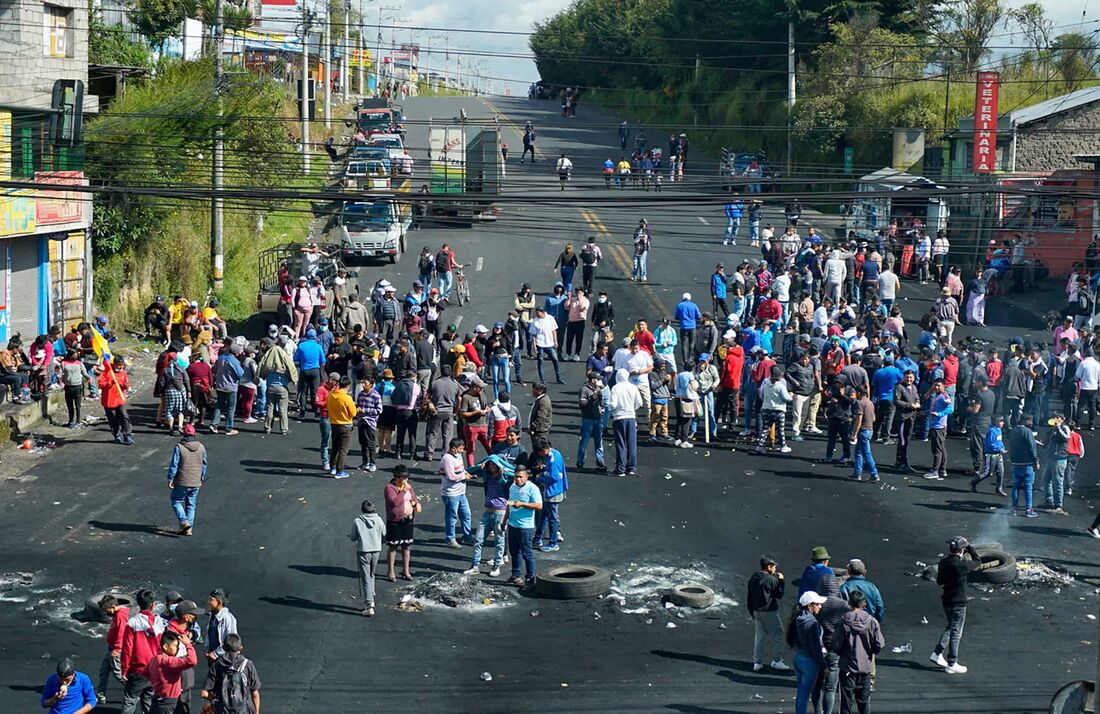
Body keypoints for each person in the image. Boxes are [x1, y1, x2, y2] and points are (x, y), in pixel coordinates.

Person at [931, 536, 981, 674]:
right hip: (958, 601)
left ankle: (937, 653)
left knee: (950, 626)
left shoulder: (943, 562)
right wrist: (970, 547)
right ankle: (952, 662)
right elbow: (978, 561)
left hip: (946, 599)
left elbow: (940, 581)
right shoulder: (962, 565)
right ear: (962, 550)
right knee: (956, 632)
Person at [833, 590, 885, 714]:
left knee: (846, 704)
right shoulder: (872, 621)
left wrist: (842, 653)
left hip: (848, 668)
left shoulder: (843, 621)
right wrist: (870, 652)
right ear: (864, 604)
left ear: (849, 603)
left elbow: (836, 645)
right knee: (864, 702)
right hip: (865, 668)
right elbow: (879, 644)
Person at [464, 455, 513, 577]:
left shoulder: (506, 476)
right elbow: (470, 470)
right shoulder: (487, 474)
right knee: (479, 539)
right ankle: (475, 565)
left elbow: (514, 474)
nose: (491, 467)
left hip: (500, 512)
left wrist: (503, 472)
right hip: (487, 512)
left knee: (499, 540)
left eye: (493, 465)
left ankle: (497, 565)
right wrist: (480, 466)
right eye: (490, 465)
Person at [120, 589, 165, 714]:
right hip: (155, 670)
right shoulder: (159, 622)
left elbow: (127, 649)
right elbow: (163, 647)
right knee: (149, 700)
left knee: (130, 700)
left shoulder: (133, 622)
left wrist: (124, 669)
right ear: (152, 605)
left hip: (137, 670)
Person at [746, 555, 789, 672]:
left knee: (759, 636)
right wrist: (781, 580)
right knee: (779, 634)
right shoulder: (771, 579)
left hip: (756, 611)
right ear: (769, 567)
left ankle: (757, 662)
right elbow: (779, 594)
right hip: (769, 611)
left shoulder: (754, 577)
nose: (775, 569)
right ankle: (777, 661)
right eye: (774, 567)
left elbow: (749, 596)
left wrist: (752, 612)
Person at [200, 634, 261, 714]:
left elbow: (204, 693)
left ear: (224, 648)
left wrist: (218, 700)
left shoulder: (217, 665)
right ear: (241, 648)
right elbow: (255, 694)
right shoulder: (248, 665)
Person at [788, 591, 827, 714]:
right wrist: (824, 666)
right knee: (805, 694)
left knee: (801, 693)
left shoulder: (798, 619)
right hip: (809, 662)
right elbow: (816, 648)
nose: (820, 606)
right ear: (810, 606)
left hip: (798, 658)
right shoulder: (813, 624)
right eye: (817, 604)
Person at [166, 423, 207, 537]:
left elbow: (174, 465)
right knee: (191, 505)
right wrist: (201, 478)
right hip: (195, 481)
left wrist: (170, 478)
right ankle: (189, 528)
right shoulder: (201, 447)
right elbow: (204, 465)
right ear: (194, 434)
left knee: (176, 500)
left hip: (182, 481)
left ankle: (184, 522)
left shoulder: (179, 447)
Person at [504, 466, 542, 589]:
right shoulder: (512, 487)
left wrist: (522, 504)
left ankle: (530, 578)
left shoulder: (532, 488)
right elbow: (509, 505)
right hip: (512, 525)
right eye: (516, 476)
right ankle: (515, 576)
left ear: (526, 477)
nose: (518, 479)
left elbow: (539, 505)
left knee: (527, 553)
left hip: (526, 527)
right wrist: (504, 521)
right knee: (514, 552)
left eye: (520, 477)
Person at [145, 629, 198, 714]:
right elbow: (192, 661)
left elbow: (145, 673)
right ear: (165, 646)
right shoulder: (168, 661)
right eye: (175, 646)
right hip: (170, 704)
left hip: (157, 701)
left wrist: (160, 683)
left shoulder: (154, 659)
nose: (177, 649)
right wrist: (188, 644)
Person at [349, 499, 386, 617]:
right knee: (371, 574)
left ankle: (369, 605)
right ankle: (372, 594)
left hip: (363, 551)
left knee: (365, 578)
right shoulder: (379, 520)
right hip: (376, 550)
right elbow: (384, 534)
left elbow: (353, 537)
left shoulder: (357, 521)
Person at [531, 436, 568, 552]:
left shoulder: (552, 460)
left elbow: (553, 477)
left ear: (544, 450)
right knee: (545, 515)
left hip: (552, 492)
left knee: (551, 518)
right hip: (556, 490)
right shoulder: (556, 453)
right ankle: (538, 538)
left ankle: (553, 543)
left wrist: (539, 478)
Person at [383, 465, 419, 581]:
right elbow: (394, 502)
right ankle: (391, 572)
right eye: (404, 478)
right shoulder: (390, 488)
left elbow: (413, 497)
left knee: (406, 546)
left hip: (408, 520)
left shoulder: (408, 487)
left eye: (407, 478)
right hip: (395, 521)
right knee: (393, 547)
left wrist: (416, 504)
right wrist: (403, 491)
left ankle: (406, 571)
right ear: (397, 477)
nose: (406, 480)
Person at [439, 437, 474, 548]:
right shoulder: (447, 459)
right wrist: (464, 476)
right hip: (451, 493)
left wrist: (467, 473)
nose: (461, 452)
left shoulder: (458, 456)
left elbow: (462, 469)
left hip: (461, 492)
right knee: (452, 517)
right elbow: (451, 476)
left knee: (466, 515)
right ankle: (450, 539)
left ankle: (467, 536)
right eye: (460, 449)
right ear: (453, 449)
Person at [609, 367, 643, 476]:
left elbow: (612, 404)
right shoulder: (633, 387)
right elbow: (639, 403)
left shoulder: (615, 388)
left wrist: (609, 408)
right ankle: (631, 467)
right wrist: (632, 408)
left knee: (621, 443)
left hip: (619, 418)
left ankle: (620, 469)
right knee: (631, 443)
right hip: (631, 417)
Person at [96, 594, 130, 704]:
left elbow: (121, 633)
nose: (106, 613)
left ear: (113, 607)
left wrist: (116, 649)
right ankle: (101, 694)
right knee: (104, 671)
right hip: (111, 647)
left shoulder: (120, 616)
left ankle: (133, 691)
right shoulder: (116, 615)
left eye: (106, 610)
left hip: (116, 650)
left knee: (118, 673)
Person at [756, 365, 792, 454]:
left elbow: (761, 396)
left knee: (766, 428)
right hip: (778, 410)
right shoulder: (780, 386)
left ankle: (759, 445)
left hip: (766, 409)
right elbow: (786, 398)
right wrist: (791, 396)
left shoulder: (766, 384)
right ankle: (783, 446)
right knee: (781, 429)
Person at [923, 378, 953, 481]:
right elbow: (935, 409)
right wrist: (926, 412)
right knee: (941, 447)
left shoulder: (944, 396)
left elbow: (950, 408)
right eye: (935, 385)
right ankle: (942, 469)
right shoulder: (937, 396)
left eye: (939, 385)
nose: (936, 387)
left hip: (938, 426)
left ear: (944, 386)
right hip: (936, 425)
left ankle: (935, 470)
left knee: (936, 449)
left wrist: (939, 414)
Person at [328, 376, 357, 478]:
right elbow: (353, 413)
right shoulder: (346, 398)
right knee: (343, 449)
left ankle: (332, 467)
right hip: (345, 425)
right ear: (348, 386)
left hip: (334, 423)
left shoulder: (331, 395)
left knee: (334, 447)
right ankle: (340, 471)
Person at [1042, 412, 1071, 514]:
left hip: (1059, 459)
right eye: (1054, 417)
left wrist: (1058, 428)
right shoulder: (1053, 429)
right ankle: (1049, 501)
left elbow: (1066, 438)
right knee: (1046, 480)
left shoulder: (1064, 428)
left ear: (1062, 419)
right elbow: (1048, 441)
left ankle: (1059, 505)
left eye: (1057, 418)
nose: (1055, 419)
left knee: (1058, 482)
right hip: (1051, 458)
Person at [971, 414, 1006, 495]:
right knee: (987, 473)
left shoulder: (999, 430)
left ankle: (998, 489)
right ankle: (974, 482)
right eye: (1001, 421)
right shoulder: (991, 431)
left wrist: (1002, 447)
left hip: (998, 454)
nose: (1003, 423)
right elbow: (990, 444)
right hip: (991, 455)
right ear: (996, 422)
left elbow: (999, 441)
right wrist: (999, 449)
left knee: (1001, 472)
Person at [577, 371, 606, 471]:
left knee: (599, 442)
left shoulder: (598, 389)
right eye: (598, 379)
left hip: (598, 418)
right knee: (584, 442)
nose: (600, 381)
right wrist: (592, 399)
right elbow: (582, 404)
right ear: (593, 380)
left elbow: (602, 402)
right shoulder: (584, 389)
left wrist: (601, 404)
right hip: (588, 419)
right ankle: (580, 463)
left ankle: (600, 461)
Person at [849, 385, 878, 481]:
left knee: (866, 453)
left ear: (858, 393)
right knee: (858, 452)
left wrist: (855, 433)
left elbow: (859, 420)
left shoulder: (860, 403)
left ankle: (874, 474)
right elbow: (873, 418)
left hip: (863, 430)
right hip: (870, 429)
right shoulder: (870, 403)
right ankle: (857, 473)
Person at [530, 306, 563, 384]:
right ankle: (543, 379)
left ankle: (558, 378)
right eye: (536, 313)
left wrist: (555, 341)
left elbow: (554, 330)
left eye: (538, 313)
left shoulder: (550, 318)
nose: (537, 314)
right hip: (540, 343)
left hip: (549, 343)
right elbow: (533, 335)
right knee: (540, 361)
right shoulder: (535, 321)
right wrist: (534, 345)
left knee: (555, 359)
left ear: (543, 312)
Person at [205, 588, 238, 668]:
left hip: (224, 662)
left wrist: (216, 653)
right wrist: (207, 650)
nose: (208, 602)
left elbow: (231, 642)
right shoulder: (212, 617)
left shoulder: (227, 618)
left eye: (211, 600)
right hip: (213, 661)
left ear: (219, 602)